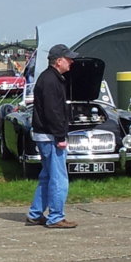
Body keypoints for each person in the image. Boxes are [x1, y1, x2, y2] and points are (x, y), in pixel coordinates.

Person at [25, 44, 78, 230]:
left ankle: (35, 213)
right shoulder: (51, 81)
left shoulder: (49, 78)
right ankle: (56, 217)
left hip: (44, 135)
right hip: (50, 136)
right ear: (58, 61)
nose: (71, 62)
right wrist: (60, 136)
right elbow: (53, 111)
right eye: (68, 59)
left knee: (47, 176)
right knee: (59, 178)